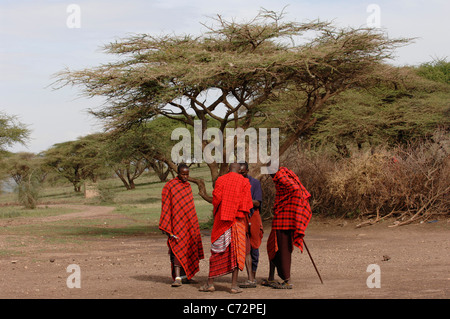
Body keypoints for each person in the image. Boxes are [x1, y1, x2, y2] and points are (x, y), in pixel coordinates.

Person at [199, 163, 253, 294]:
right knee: (236, 253)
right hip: (238, 223)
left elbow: (216, 199)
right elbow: (247, 203)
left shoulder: (221, 180)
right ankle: (233, 286)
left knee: (217, 252)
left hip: (222, 222)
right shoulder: (245, 182)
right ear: (239, 171)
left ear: (228, 170)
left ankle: (210, 283)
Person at [263, 166, 312, 289]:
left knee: (282, 249)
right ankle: (271, 277)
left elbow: (296, 190)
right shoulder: (284, 173)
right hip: (282, 219)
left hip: (284, 220)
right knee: (272, 247)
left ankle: (287, 280)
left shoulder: (280, 176)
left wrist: (289, 209)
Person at [159, 163, 204, 287]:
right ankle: (177, 278)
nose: (185, 176)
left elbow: (189, 208)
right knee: (177, 249)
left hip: (188, 225)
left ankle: (186, 276)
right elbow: (166, 207)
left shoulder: (188, 186)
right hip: (176, 225)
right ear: (177, 173)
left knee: (189, 249)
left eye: (187, 174)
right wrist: (167, 225)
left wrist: (193, 225)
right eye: (183, 174)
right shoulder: (170, 186)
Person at [238, 162, 263, 289]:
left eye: (243, 172)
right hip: (240, 218)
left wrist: (243, 201)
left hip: (252, 217)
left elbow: (257, 202)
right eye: (239, 172)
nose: (241, 175)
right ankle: (249, 277)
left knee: (254, 246)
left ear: (247, 170)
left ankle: (252, 275)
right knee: (242, 246)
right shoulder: (235, 183)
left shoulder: (255, 183)